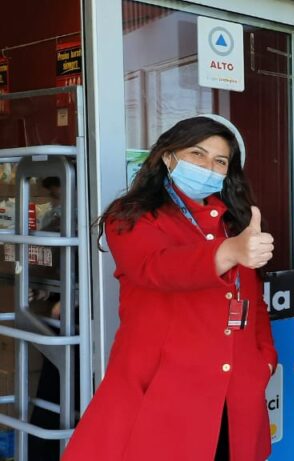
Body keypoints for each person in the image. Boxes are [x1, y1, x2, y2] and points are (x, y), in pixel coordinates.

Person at [63, 115, 277, 461]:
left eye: (220, 161)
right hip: (161, 395)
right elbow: (156, 268)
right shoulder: (131, 215)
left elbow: (253, 305)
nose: (209, 166)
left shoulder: (233, 221)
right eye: (197, 153)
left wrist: (262, 360)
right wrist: (228, 252)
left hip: (232, 396)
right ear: (167, 157)